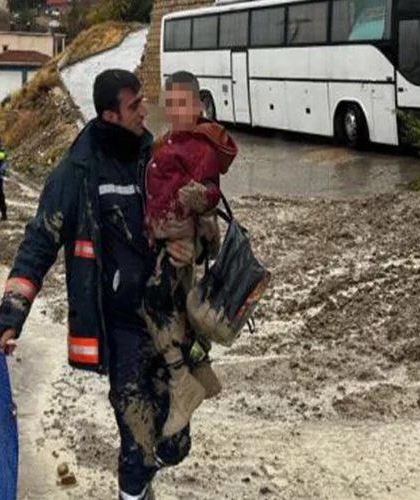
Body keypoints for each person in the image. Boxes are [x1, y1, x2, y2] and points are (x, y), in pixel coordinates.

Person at [0, 69, 214, 500]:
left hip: (169, 323)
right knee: (137, 443)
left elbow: (200, 221)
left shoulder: (156, 157)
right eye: (134, 106)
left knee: (175, 442)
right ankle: (135, 490)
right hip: (122, 332)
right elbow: (39, 242)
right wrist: (12, 314)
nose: (144, 112)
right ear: (110, 114)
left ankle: (148, 476)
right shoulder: (77, 172)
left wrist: (196, 244)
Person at [142, 70, 238, 439]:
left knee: (158, 304)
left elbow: (211, 191)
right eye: (172, 104)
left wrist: (202, 203)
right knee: (179, 307)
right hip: (167, 239)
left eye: (185, 104)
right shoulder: (168, 142)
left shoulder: (199, 145)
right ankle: (203, 370)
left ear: (199, 106)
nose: (178, 110)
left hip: (177, 244)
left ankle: (183, 380)